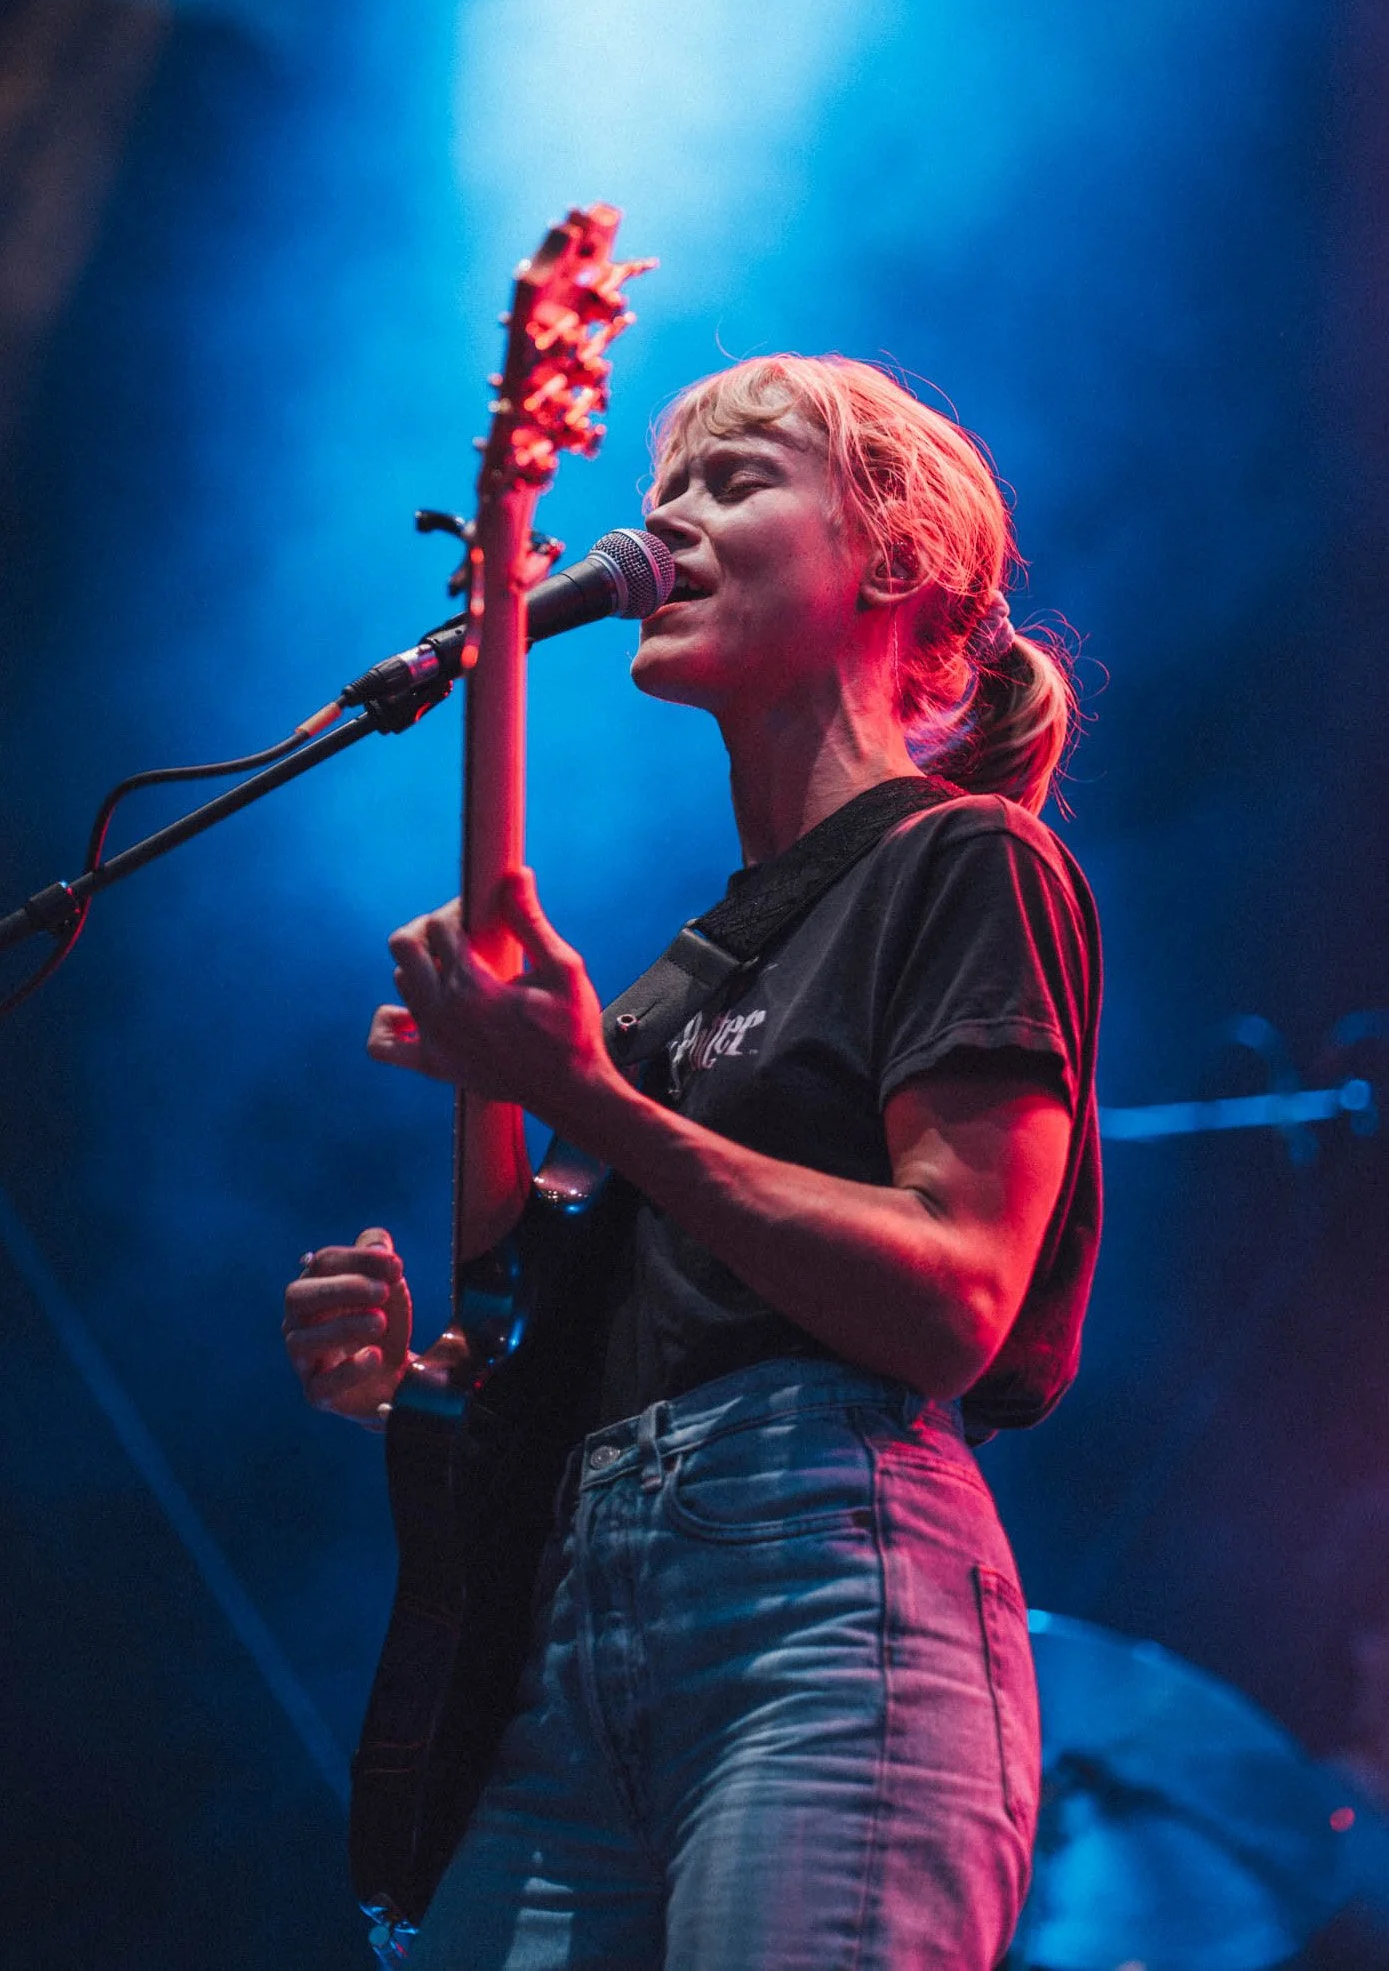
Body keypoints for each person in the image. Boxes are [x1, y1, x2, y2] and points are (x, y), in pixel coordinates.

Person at [283, 354, 1103, 1970]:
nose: (665, 521)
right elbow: (555, 1323)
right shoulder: (683, 975)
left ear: (891, 561)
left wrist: (588, 1098)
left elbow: (957, 1301)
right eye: (663, 489)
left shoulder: (968, 859)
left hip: (817, 1597)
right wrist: (421, 1378)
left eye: (734, 483)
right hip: (573, 1618)